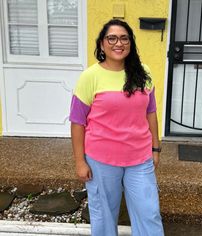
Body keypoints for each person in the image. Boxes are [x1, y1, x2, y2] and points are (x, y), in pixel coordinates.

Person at [69, 19, 164, 236]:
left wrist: (155, 148)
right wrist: (79, 161)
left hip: (139, 158)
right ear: (102, 44)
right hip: (101, 160)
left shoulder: (144, 73)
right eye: (111, 38)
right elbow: (77, 122)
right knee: (103, 215)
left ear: (130, 43)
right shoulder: (90, 76)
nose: (118, 43)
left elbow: (151, 112)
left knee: (149, 212)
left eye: (124, 38)